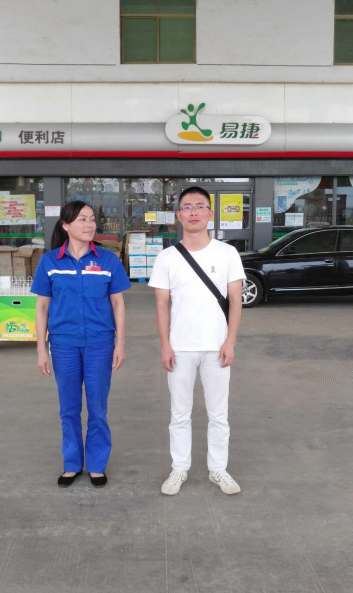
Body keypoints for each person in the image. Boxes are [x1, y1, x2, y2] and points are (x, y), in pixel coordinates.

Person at [148, 186, 246, 496]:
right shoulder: (166, 258)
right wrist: (165, 344)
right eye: (187, 207)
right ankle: (179, 468)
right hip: (180, 348)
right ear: (178, 215)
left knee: (219, 414)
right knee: (179, 414)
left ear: (209, 214)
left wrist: (230, 341)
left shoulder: (227, 253)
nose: (193, 212)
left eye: (199, 206)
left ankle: (218, 469)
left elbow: (236, 300)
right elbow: (161, 305)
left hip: (217, 347)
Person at [31, 201, 131, 488]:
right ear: (66, 225)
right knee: (69, 408)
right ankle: (72, 463)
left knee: (97, 407)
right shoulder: (50, 262)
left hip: (100, 343)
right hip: (64, 345)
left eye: (92, 219)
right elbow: (42, 308)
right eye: (82, 219)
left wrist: (120, 344)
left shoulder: (108, 260)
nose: (90, 224)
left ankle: (97, 464)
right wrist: (41, 349)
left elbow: (118, 304)